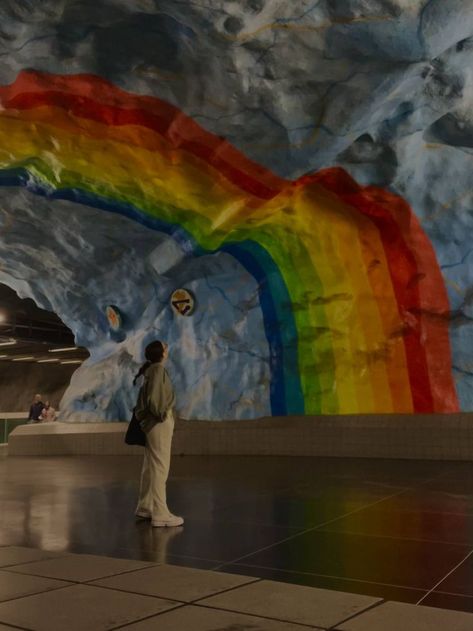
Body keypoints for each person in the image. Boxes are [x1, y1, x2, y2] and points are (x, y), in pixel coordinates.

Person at [133, 340, 184, 528]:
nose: (167, 349)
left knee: (150, 466)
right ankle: (161, 513)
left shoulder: (152, 370)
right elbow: (154, 399)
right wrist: (162, 414)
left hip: (152, 424)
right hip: (159, 423)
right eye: (165, 347)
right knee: (160, 467)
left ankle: (145, 507)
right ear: (161, 353)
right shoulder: (158, 370)